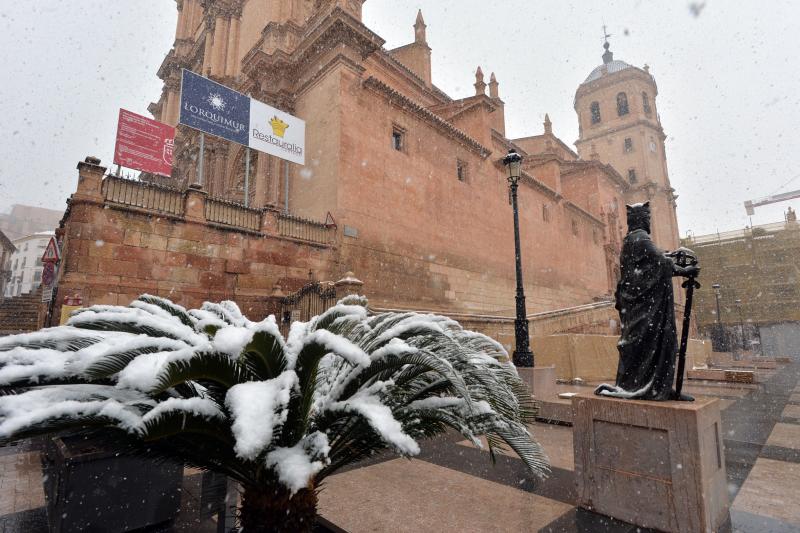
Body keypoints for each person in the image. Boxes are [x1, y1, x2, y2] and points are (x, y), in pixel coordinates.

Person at [595, 202, 699, 401]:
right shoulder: (640, 238)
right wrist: (685, 271)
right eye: (647, 218)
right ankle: (653, 387)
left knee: (653, 347)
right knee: (656, 346)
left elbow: (654, 260)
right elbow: (659, 261)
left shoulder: (632, 239)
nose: (649, 221)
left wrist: (668, 257)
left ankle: (658, 386)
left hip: (643, 307)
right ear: (642, 219)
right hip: (646, 310)